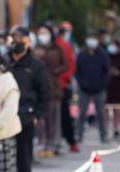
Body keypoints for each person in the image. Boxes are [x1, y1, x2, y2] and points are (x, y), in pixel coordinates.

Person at [9, 26, 51, 172]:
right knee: (4, 162)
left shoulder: (36, 65)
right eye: (14, 39)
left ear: (28, 42)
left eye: (21, 39)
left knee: (23, 161)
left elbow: (46, 93)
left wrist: (38, 115)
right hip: (4, 120)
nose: (17, 42)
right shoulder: (4, 62)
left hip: (26, 119)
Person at [33, 24, 69, 157]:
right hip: (39, 88)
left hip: (54, 87)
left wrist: (56, 72)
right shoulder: (35, 49)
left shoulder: (58, 48)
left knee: (54, 117)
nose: (43, 35)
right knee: (41, 118)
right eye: (40, 32)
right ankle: (41, 144)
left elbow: (66, 64)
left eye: (45, 32)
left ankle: (54, 144)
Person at [76, 31, 110, 143]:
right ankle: (79, 135)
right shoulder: (81, 54)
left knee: (101, 113)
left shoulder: (103, 54)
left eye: (93, 38)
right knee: (81, 113)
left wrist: (102, 84)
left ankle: (103, 135)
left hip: (99, 89)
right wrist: (81, 83)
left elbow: (106, 71)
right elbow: (77, 71)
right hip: (84, 89)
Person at [57, 22, 80, 153]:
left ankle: (68, 141)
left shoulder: (66, 45)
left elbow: (71, 64)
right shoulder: (62, 45)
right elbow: (70, 65)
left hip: (62, 85)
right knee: (63, 116)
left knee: (64, 115)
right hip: (60, 85)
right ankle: (69, 141)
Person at [107, 39, 120, 138]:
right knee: (106, 109)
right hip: (107, 86)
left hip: (117, 87)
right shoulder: (106, 56)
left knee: (117, 110)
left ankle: (116, 129)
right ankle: (106, 129)